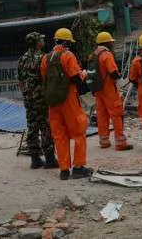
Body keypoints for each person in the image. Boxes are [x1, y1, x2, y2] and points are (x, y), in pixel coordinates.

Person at [40, 28, 91, 180]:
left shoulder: (46, 58)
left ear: (55, 40)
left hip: (53, 103)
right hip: (69, 100)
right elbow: (75, 78)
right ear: (68, 42)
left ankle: (64, 170)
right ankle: (78, 167)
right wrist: (83, 74)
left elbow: (44, 79)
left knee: (60, 136)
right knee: (78, 132)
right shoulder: (68, 56)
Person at [18, 32, 58, 169]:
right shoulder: (43, 57)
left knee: (32, 127)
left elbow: (20, 80)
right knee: (45, 127)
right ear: (36, 43)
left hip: (28, 98)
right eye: (41, 39)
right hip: (40, 98)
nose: (43, 40)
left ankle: (35, 159)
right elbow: (48, 78)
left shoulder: (22, 58)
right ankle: (50, 159)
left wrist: (26, 94)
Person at [90, 32, 132, 151]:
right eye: (111, 41)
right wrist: (120, 81)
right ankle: (120, 143)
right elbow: (113, 72)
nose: (112, 43)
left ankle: (104, 141)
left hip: (98, 90)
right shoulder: (106, 55)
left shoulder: (93, 55)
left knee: (102, 115)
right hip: (109, 89)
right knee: (116, 114)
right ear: (107, 42)